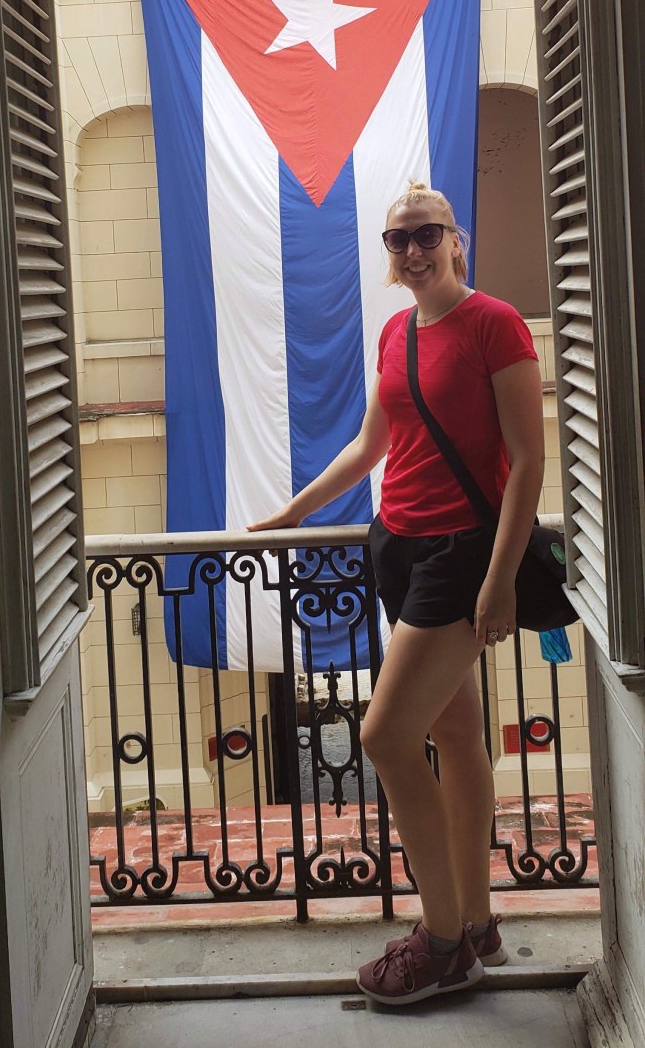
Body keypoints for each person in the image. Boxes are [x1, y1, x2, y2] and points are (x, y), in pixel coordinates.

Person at [249, 180, 545, 1008]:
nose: (411, 250)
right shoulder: (394, 331)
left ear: (454, 239)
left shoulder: (494, 323)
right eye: (397, 238)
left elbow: (528, 459)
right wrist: (292, 511)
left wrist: (497, 579)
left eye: (425, 234)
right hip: (398, 547)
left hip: (460, 552)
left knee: (382, 735)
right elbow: (369, 445)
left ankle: (442, 943)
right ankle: (477, 921)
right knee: (453, 733)